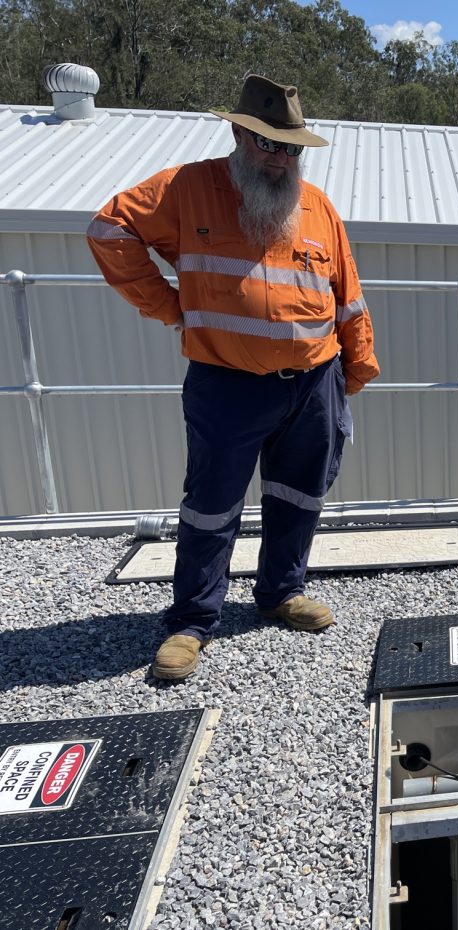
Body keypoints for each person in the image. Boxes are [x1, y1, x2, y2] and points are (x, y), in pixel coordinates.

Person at [87, 74, 380, 681]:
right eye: (268, 143)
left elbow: (346, 293)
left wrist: (355, 365)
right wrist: (171, 308)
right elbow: (109, 231)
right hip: (227, 384)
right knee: (212, 504)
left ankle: (280, 593)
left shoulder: (317, 206)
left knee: (300, 494)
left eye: (290, 147)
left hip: (312, 380)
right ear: (239, 133)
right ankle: (191, 622)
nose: (279, 158)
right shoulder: (186, 189)